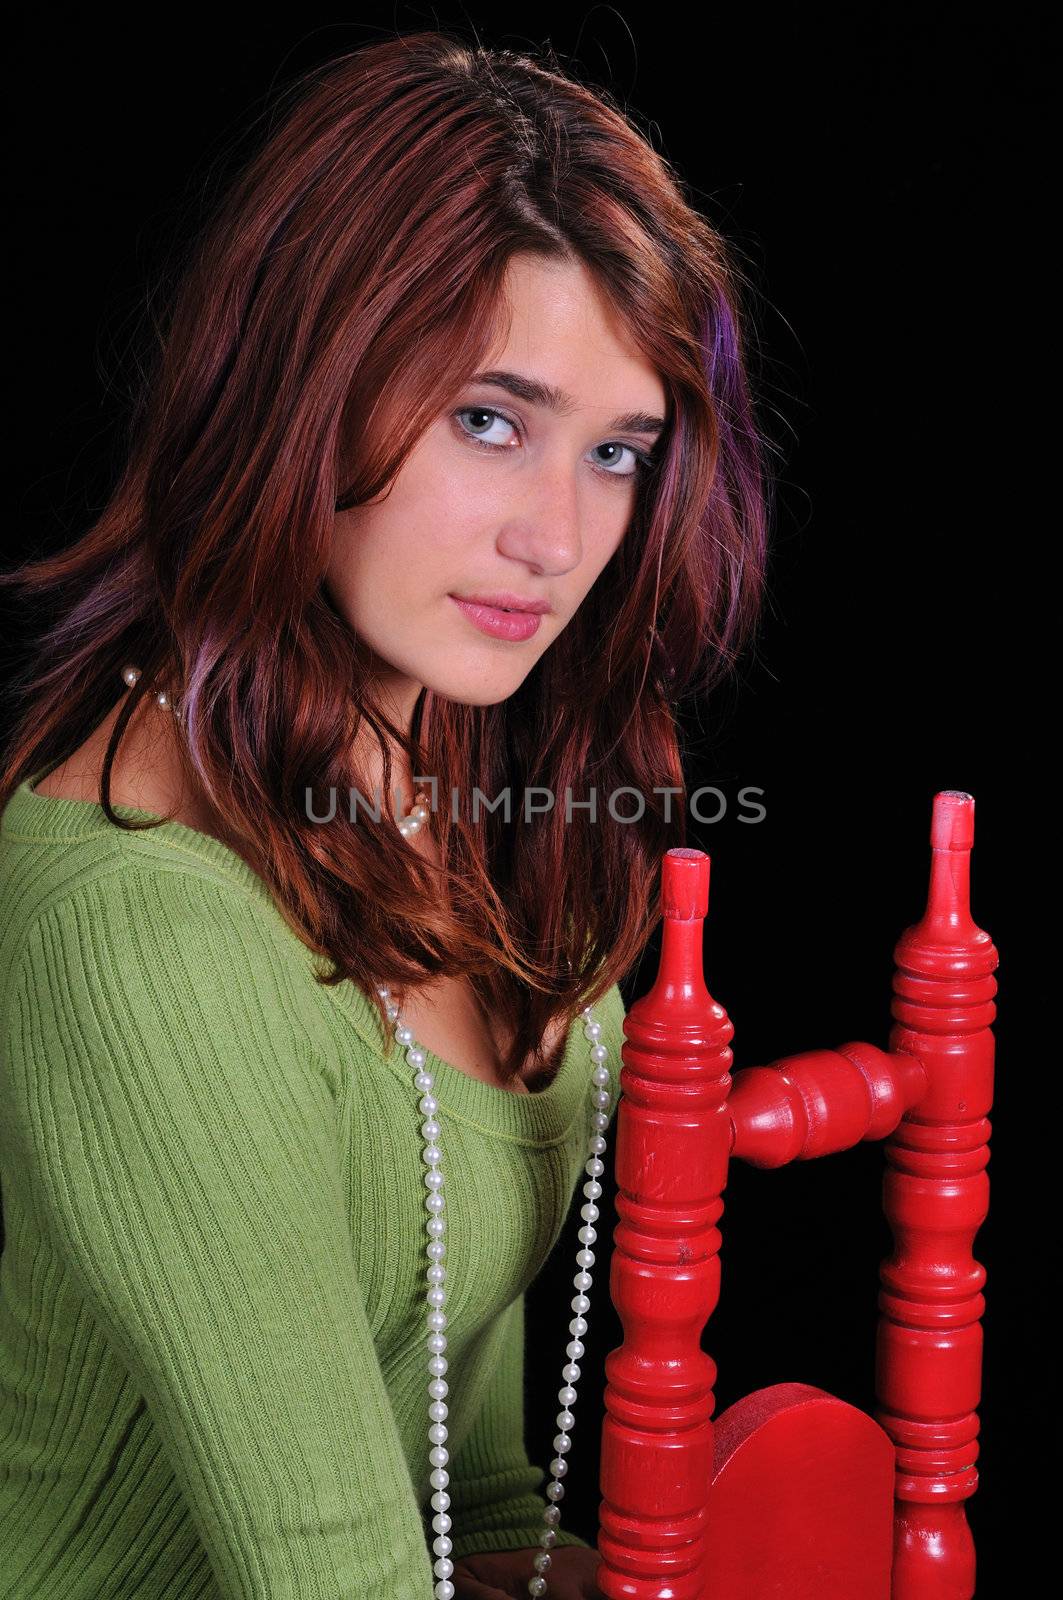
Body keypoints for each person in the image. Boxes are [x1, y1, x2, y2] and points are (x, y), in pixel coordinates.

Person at [0, 28, 770, 1600]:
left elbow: (464, 1487)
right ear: (303, 383)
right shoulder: (146, 930)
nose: (558, 538)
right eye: (490, 420)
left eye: (616, 452)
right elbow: (336, 1571)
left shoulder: (479, 805)